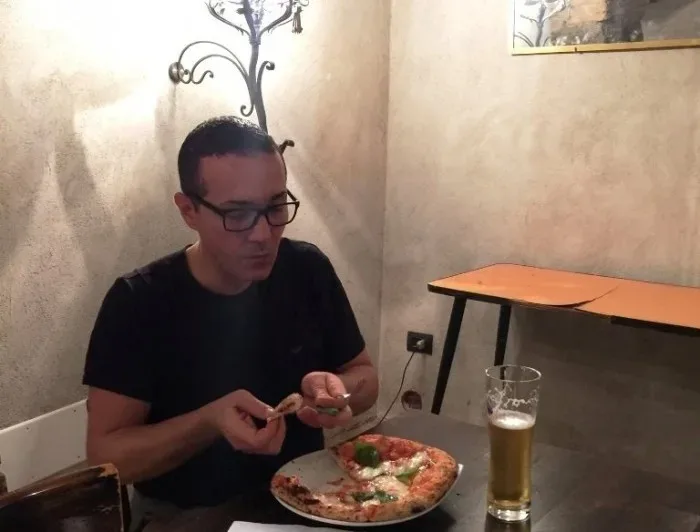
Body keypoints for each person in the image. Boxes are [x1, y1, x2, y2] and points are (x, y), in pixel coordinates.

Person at [82, 116, 379, 527]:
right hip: (188, 515)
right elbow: (106, 459)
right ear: (188, 210)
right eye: (238, 214)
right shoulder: (139, 301)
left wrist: (337, 392)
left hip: (309, 495)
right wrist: (209, 422)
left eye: (275, 207)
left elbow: (366, 380)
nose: (262, 234)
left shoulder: (307, 268)